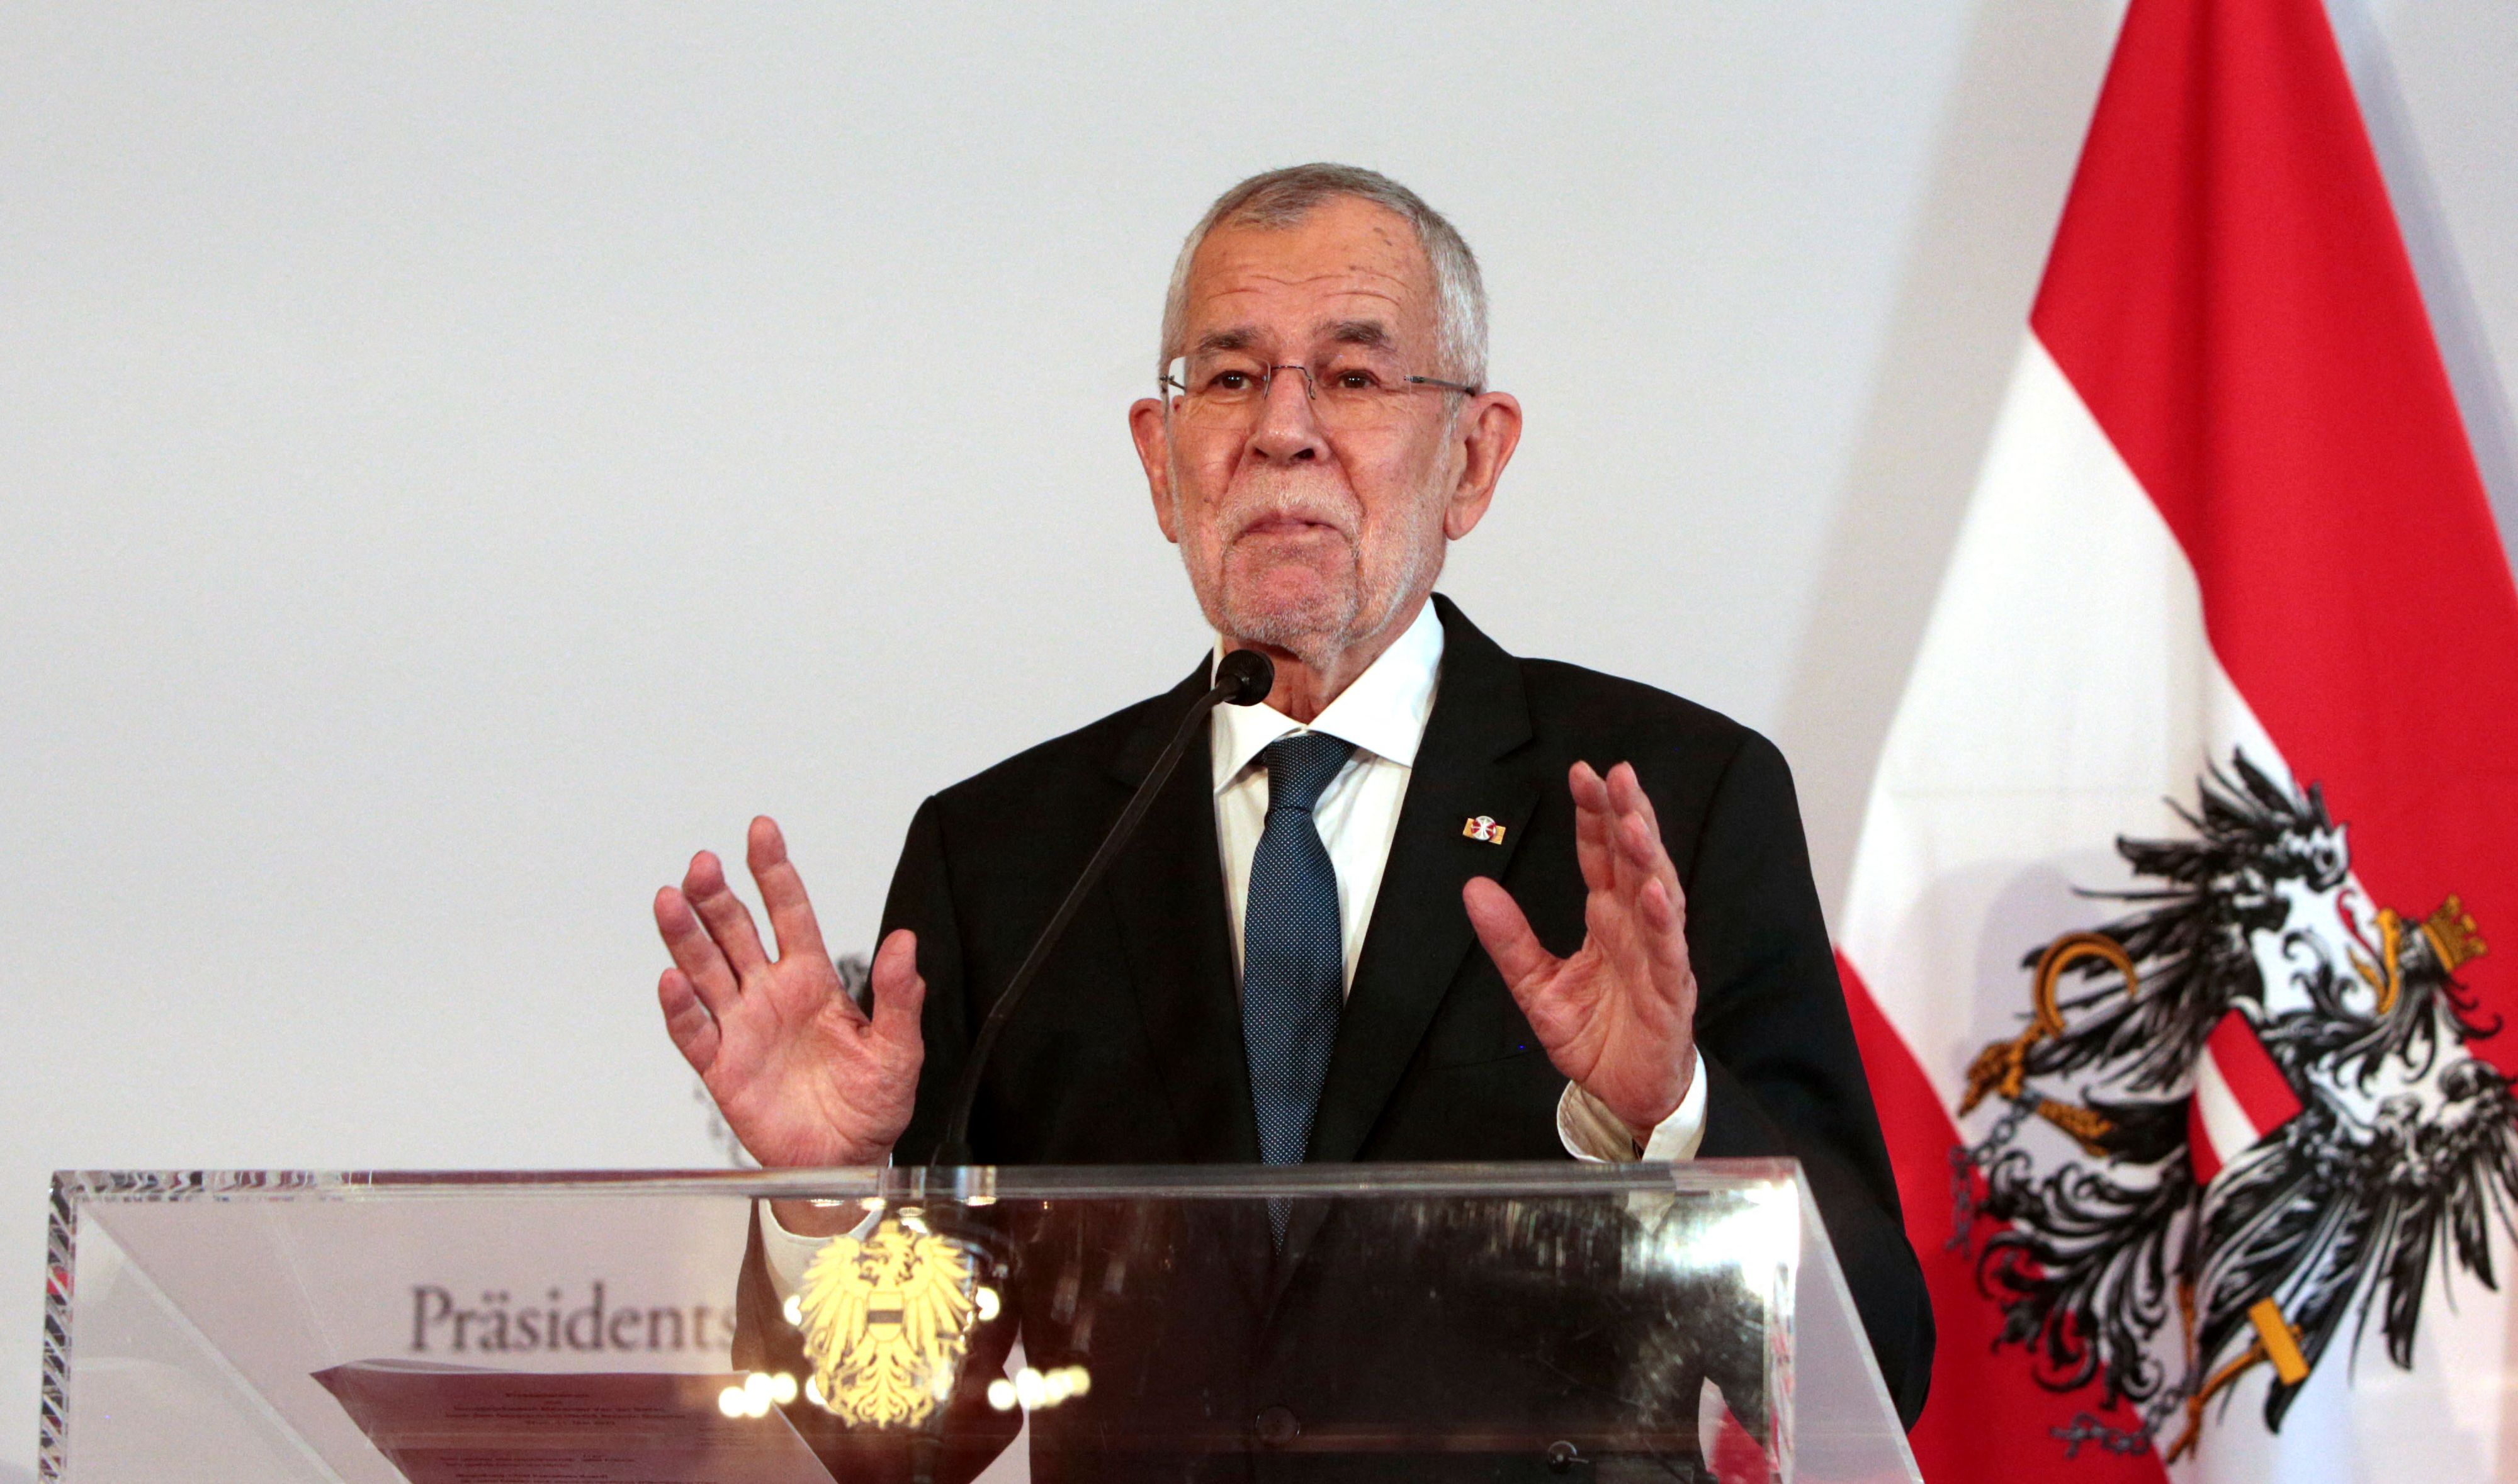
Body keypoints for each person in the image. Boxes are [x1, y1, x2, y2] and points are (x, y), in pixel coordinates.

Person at [650, 165, 1932, 1461]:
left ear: (1473, 458)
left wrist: (1671, 1117)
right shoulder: (1006, 858)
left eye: (1354, 376)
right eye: (1228, 377)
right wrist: (827, 1203)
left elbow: (1874, 1360)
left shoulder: (1672, 804)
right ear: (1162, 464)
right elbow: (897, 1439)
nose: (1282, 429)